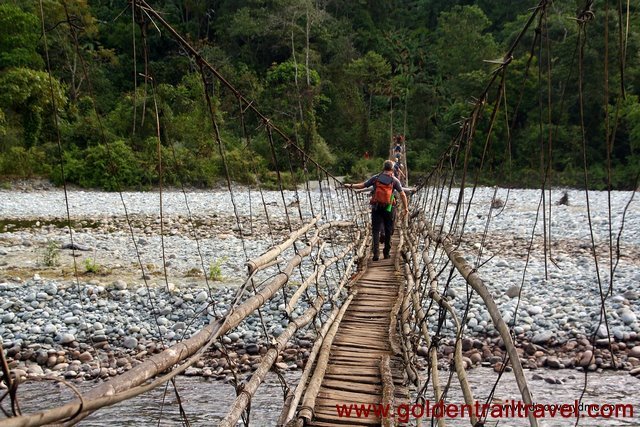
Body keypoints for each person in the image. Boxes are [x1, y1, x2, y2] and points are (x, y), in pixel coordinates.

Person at [344, 160, 409, 261]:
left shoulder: (376, 178)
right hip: (389, 207)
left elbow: (362, 185)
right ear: (392, 169)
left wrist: (350, 185)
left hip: (376, 206)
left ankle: (376, 254)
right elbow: (402, 194)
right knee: (388, 230)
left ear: (383, 168)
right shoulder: (394, 180)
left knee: (375, 230)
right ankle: (386, 253)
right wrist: (406, 208)